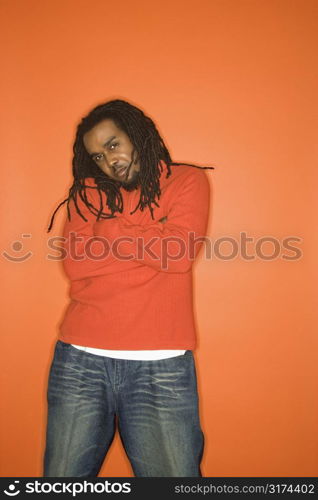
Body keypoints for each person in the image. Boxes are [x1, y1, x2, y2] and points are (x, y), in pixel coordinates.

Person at [44, 99, 213, 477]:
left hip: (161, 366)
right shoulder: (88, 191)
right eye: (98, 156)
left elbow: (179, 253)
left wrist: (110, 232)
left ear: (138, 134)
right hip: (79, 362)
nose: (107, 161)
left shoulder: (186, 181)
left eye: (113, 144)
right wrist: (153, 243)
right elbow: (76, 263)